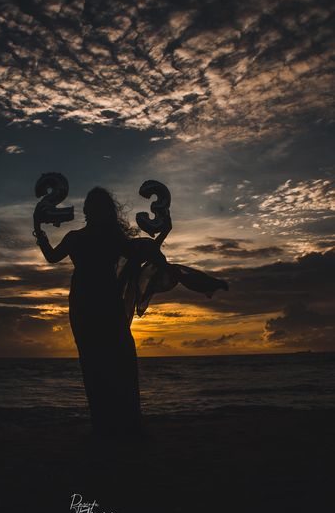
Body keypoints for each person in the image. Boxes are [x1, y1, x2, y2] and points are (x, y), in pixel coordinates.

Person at [33, 186, 227, 439]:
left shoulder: (76, 238)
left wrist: (40, 232)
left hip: (83, 304)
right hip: (105, 303)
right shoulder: (112, 239)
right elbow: (141, 252)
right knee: (119, 360)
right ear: (108, 211)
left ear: (87, 210)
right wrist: (159, 239)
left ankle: (103, 424)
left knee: (93, 362)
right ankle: (125, 422)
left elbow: (51, 257)